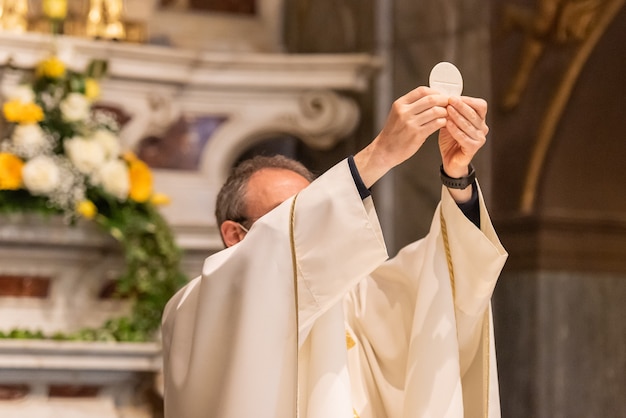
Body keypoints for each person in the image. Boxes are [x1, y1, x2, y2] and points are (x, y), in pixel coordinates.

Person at [161, 86, 508, 418]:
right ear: (236, 234)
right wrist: (379, 154)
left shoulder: (354, 302)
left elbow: (442, 287)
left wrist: (457, 177)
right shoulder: (196, 307)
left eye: (314, 208)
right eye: (291, 218)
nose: (314, 228)